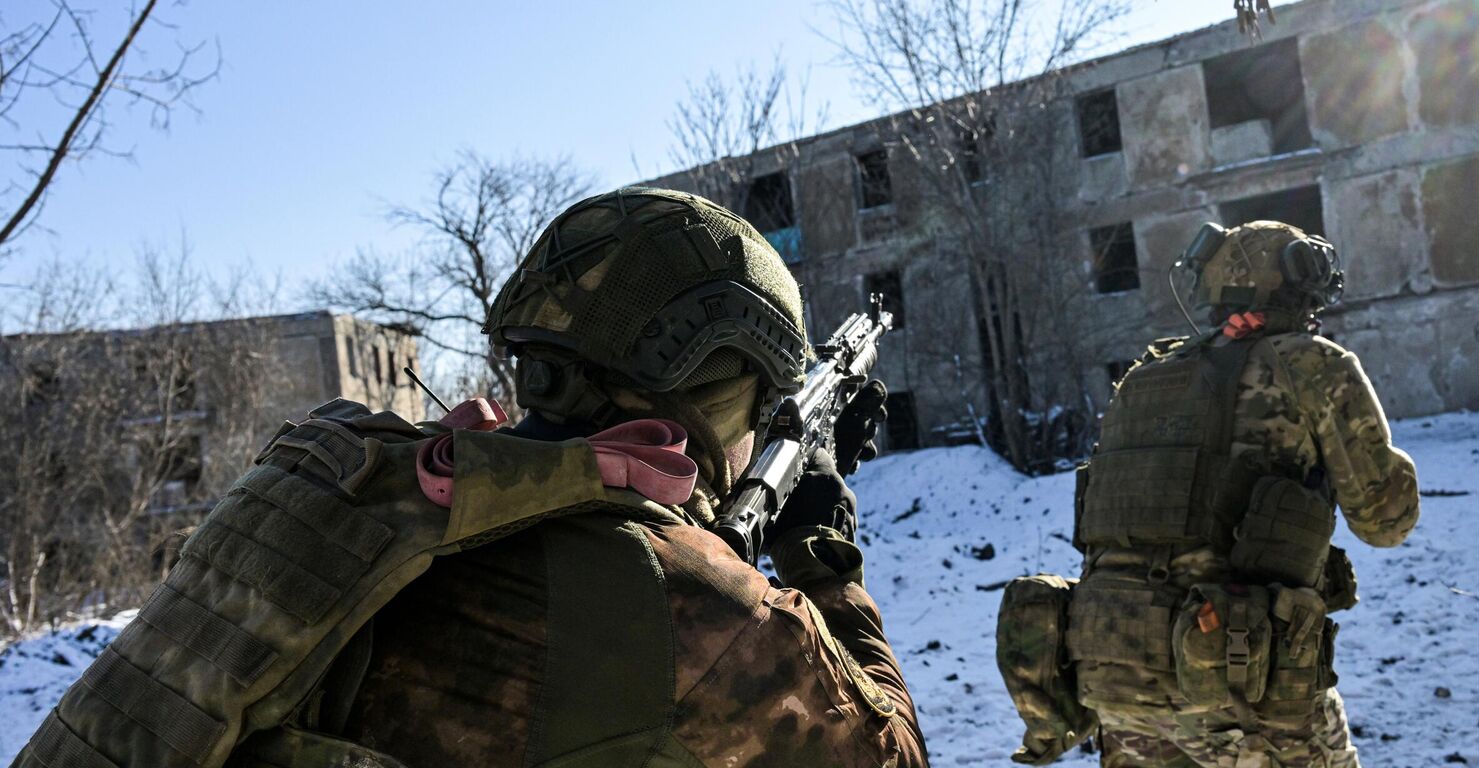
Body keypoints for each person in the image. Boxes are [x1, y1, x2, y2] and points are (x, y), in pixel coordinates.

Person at [14, 186, 926, 768]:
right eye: (757, 406)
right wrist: (825, 560)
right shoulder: (708, 618)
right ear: (715, 386)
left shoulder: (383, 508)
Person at [1065, 220, 1419, 767]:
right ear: (1300, 285)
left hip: (1115, 672)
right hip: (1234, 677)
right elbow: (1385, 521)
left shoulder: (1144, 376)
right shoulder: (1312, 363)